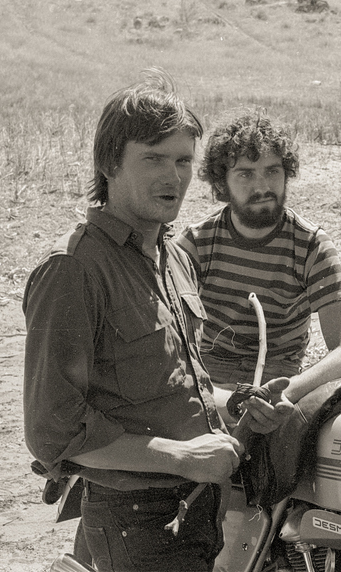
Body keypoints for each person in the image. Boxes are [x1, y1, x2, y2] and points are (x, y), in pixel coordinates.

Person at [23, 70, 242, 572]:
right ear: (109, 164)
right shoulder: (73, 269)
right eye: (153, 158)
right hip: (135, 518)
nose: (173, 176)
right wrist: (180, 457)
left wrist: (232, 403)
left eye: (183, 160)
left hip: (195, 510)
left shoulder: (171, 255)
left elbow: (163, 388)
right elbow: (54, 432)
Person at [175, 109, 341, 433]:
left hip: (280, 389)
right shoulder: (196, 245)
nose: (262, 186)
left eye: (272, 171)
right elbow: (171, 346)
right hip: (208, 387)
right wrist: (219, 399)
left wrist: (289, 391)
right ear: (222, 182)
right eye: (245, 174)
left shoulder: (311, 246)